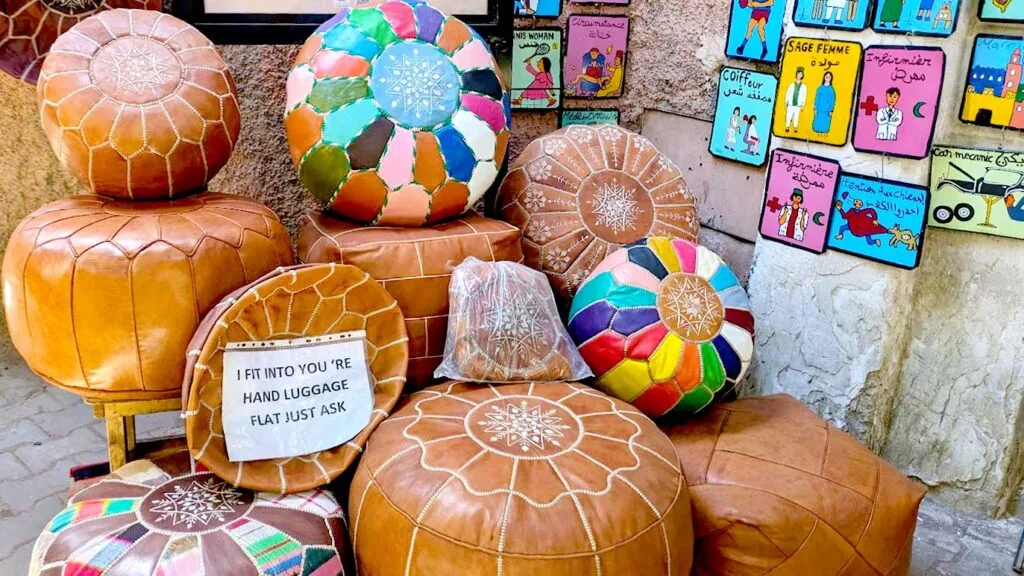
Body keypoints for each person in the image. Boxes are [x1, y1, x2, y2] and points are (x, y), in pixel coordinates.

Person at [784, 67, 808, 133]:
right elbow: (788, 93)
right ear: (796, 75)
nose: (799, 75)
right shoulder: (792, 85)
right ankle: (787, 126)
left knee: (796, 116)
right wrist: (786, 102)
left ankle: (795, 127)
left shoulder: (803, 86)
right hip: (791, 104)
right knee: (789, 115)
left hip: (798, 105)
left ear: (802, 75)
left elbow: (804, 96)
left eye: (801, 74)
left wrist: (803, 104)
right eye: (798, 74)